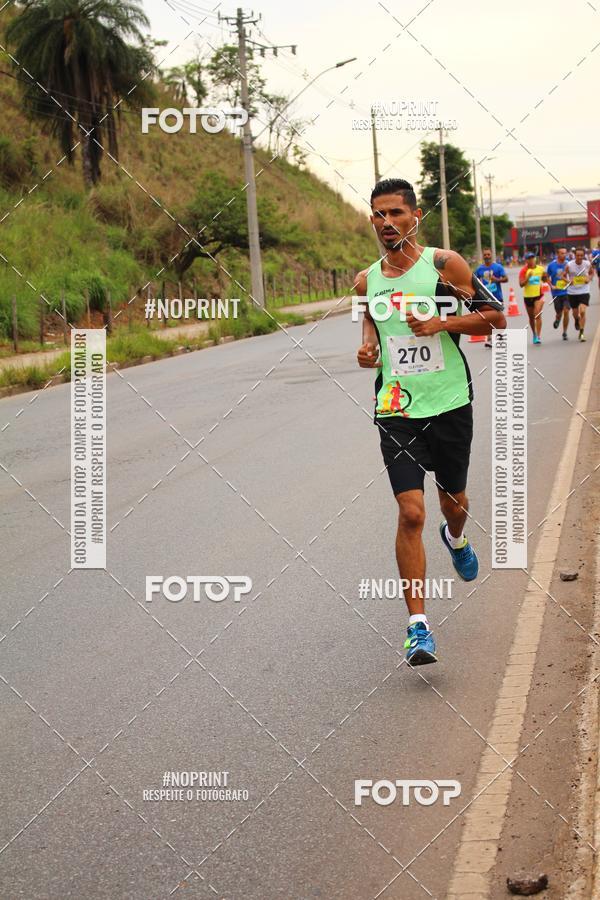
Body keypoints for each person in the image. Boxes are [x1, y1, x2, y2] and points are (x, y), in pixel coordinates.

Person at [355, 178, 506, 666]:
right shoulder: (366, 280)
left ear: (414, 216)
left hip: (449, 402)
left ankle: (456, 536)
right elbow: (372, 322)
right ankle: (418, 628)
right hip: (396, 408)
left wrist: (441, 323)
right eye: (378, 214)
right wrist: (368, 347)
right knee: (411, 511)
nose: (386, 223)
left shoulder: (444, 265)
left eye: (396, 213)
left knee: (452, 503)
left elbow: (494, 316)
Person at [474, 248, 508, 347]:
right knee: (487, 318)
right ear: (483, 256)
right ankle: (489, 338)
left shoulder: (498, 267)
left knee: (498, 317)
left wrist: (496, 279)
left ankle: (499, 333)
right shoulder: (479, 269)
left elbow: (506, 279)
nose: (487, 256)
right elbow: (474, 280)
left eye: (488, 254)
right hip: (485, 297)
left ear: (492, 255)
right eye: (485, 255)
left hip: (497, 296)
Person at [519, 251, 548, 344]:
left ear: (535, 259)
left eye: (532, 258)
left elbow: (544, 279)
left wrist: (545, 277)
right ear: (526, 260)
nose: (531, 260)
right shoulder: (523, 271)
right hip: (528, 297)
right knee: (531, 318)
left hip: (538, 295)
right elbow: (521, 284)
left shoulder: (540, 269)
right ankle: (534, 334)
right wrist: (527, 277)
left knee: (537, 314)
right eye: (529, 258)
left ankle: (538, 336)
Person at [565, 247, 593, 342]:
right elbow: (562, 275)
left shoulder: (587, 264)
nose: (580, 257)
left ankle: (581, 333)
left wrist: (588, 278)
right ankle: (577, 320)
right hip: (572, 292)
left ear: (584, 255)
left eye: (581, 255)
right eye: (578, 255)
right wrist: (568, 281)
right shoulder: (569, 265)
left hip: (584, 291)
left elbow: (591, 273)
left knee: (583, 311)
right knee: (575, 313)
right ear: (574, 255)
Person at [546, 247, 571, 340]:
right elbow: (546, 277)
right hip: (556, 292)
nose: (564, 255)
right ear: (557, 254)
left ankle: (564, 332)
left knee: (566, 311)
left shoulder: (569, 264)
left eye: (565, 253)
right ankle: (557, 319)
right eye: (562, 253)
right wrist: (551, 285)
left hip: (567, 292)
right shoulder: (551, 265)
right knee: (559, 313)